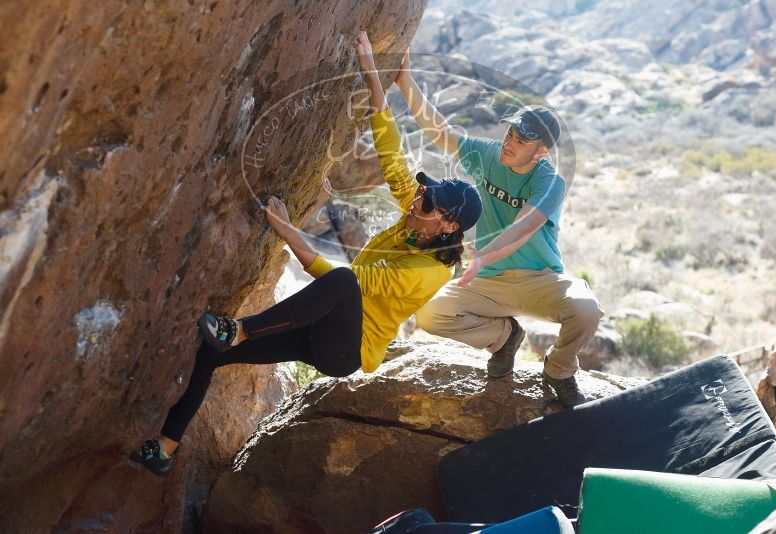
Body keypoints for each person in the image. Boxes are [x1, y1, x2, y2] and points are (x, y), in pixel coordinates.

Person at [129, 32, 482, 477]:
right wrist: (375, 75)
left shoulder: (428, 272)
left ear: (448, 226)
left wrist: (286, 232)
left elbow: (340, 280)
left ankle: (238, 331)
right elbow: (392, 152)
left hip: (344, 350)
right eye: (424, 194)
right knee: (210, 355)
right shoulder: (418, 220)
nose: (418, 202)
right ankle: (164, 449)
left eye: (428, 204)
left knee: (343, 280)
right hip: (322, 323)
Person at [394, 50, 603, 408]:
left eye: (521, 141)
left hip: (540, 279)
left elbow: (523, 228)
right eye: (510, 134)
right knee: (429, 313)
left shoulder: (549, 181)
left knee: (587, 311)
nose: (509, 143)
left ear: (540, 152)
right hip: (489, 279)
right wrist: (404, 80)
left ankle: (559, 369)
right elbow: (439, 132)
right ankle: (505, 337)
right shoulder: (488, 155)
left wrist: (483, 255)